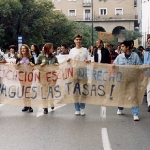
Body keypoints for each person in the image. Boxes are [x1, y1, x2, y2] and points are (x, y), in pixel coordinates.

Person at [113, 40, 142, 121]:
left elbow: (140, 66)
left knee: (134, 96)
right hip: (122, 80)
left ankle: (135, 113)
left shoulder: (135, 56)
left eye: (122, 46)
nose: (121, 48)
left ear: (127, 47)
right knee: (121, 95)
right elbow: (114, 65)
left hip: (133, 80)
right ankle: (120, 108)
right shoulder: (119, 57)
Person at [67, 34, 90, 116]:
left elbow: (89, 60)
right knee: (75, 90)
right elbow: (68, 61)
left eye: (79, 39)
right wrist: (68, 60)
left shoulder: (85, 50)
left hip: (83, 71)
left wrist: (87, 61)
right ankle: (77, 108)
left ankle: (82, 107)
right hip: (74, 71)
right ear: (74, 40)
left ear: (81, 41)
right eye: (77, 39)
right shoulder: (72, 50)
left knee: (84, 90)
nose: (78, 41)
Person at [36, 43, 59, 114]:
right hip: (43, 77)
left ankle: (52, 102)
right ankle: (45, 107)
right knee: (45, 92)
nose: (52, 49)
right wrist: (40, 65)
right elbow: (36, 66)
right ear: (48, 49)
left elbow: (58, 66)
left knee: (52, 91)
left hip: (52, 77)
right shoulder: (41, 56)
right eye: (51, 48)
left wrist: (56, 65)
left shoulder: (54, 57)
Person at [16, 44, 35, 112]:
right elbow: (16, 67)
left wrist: (32, 64)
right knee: (23, 91)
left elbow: (34, 67)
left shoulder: (31, 57)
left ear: (27, 50)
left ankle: (29, 106)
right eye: (21, 49)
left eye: (24, 48)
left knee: (27, 90)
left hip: (28, 76)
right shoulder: (18, 57)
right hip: (22, 76)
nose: (22, 50)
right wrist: (17, 65)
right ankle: (25, 105)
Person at [144, 37, 150, 112]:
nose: (149, 42)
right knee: (149, 89)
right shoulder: (146, 51)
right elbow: (145, 62)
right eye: (148, 41)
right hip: (148, 72)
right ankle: (149, 104)